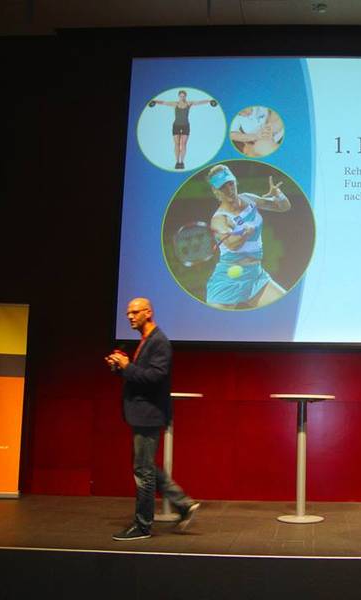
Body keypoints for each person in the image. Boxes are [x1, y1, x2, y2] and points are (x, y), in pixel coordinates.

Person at [106, 297, 199, 540]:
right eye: (128, 313)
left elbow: (155, 377)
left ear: (148, 313)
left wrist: (127, 366)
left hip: (149, 414)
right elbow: (140, 377)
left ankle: (143, 526)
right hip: (142, 413)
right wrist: (120, 368)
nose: (129, 317)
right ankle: (183, 504)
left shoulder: (159, 342)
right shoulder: (147, 340)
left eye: (135, 312)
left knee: (143, 471)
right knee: (144, 466)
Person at [206, 164, 291, 309]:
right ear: (216, 191)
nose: (229, 189)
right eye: (223, 187)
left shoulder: (248, 198)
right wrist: (245, 233)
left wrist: (278, 195)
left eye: (230, 183)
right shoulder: (219, 219)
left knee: (286, 308)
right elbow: (232, 244)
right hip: (229, 280)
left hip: (255, 275)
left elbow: (283, 207)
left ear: (235, 181)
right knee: (216, 323)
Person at [151, 90, 213, 170]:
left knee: (183, 144)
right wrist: (155, 101)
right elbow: (164, 102)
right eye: (181, 96)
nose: (182, 97)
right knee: (177, 144)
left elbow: (199, 102)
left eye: (183, 96)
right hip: (176, 126)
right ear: (179, 96)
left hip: (185, 126)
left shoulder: (188, 103)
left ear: (185, 96)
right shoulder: (175, 104)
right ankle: (177, 162)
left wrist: (209, 101)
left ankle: (182, 162)